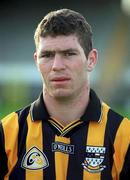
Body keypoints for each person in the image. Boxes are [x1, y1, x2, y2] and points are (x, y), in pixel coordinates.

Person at [0, 8, 130, 180]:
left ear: (91, 60)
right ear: (36, 61)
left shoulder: (124, 135)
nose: (57, 65)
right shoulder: (8, 133)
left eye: (69, 54)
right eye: (47, 55)